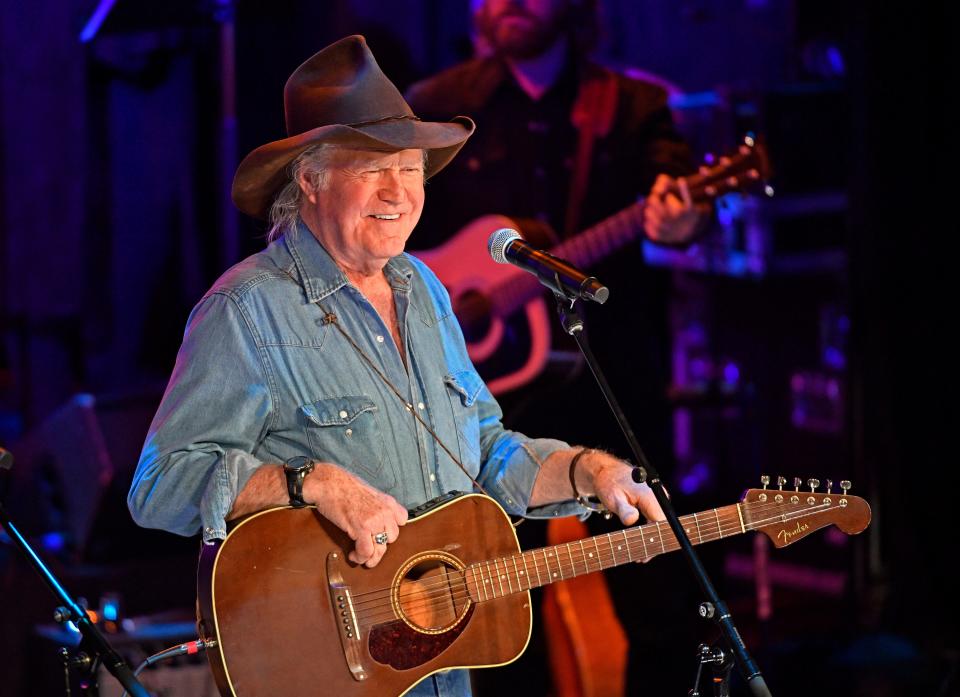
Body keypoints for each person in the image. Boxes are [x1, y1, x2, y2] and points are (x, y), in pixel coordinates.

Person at [127, 34, 664, 697]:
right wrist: (311, 481)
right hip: (323, 671)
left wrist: (586, 470)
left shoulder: (424, 288)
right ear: (310, 179)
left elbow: (485, 454)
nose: (399, 192)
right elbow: (160, 485)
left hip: (440, 671)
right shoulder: (246, 308)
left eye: (411, 168)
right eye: (371, 168)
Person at [405, 1, 710, 693]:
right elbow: (397, 243)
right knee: (503, 609)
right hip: (492, 400)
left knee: (659, 593)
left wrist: (681, 219)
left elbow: (677, 209)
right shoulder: (438, 107)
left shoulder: (634, 106)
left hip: (613, 385)